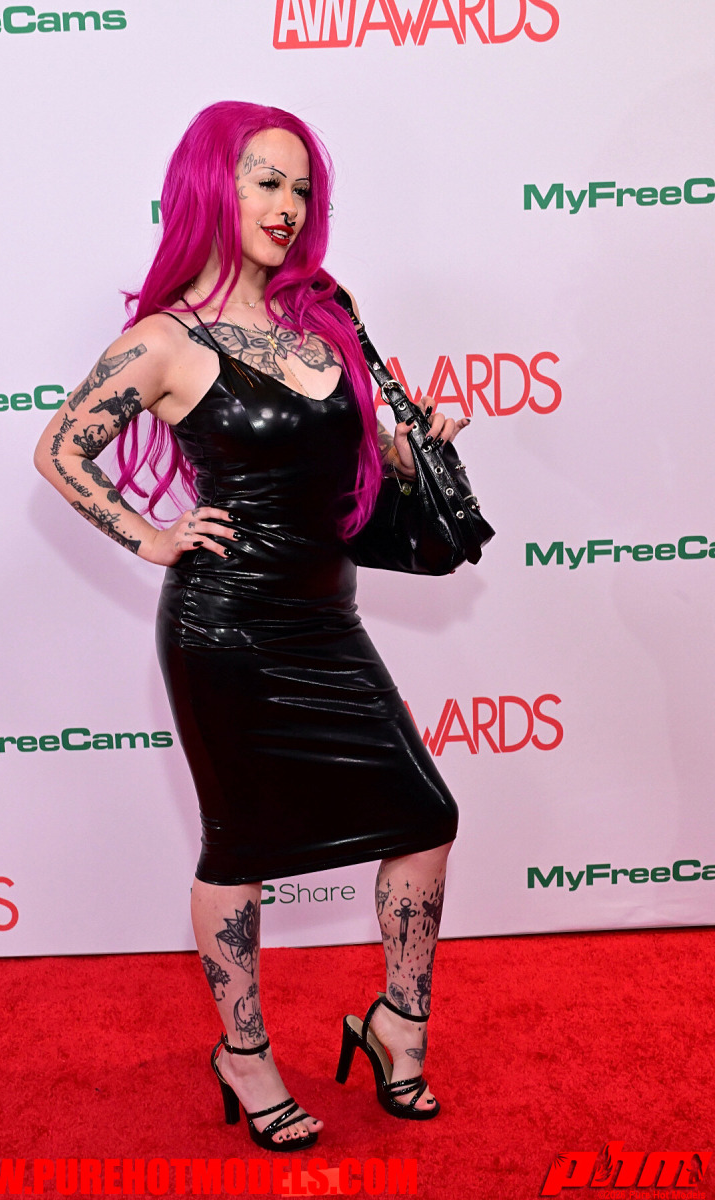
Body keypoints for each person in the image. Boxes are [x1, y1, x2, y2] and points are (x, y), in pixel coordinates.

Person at [34, 101, 466, 1151]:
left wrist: (412, 449)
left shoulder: (326, 314)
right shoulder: (164, 341)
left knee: (425, 817)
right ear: (210, 189)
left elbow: (357, 458)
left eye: (302, 187)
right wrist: (151, 536)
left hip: (328, 621)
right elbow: (58, 450)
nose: (287, 205)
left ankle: (396, 1023)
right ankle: (243, 1051)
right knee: (239, 848)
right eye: (265, 181)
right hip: (224, 631)